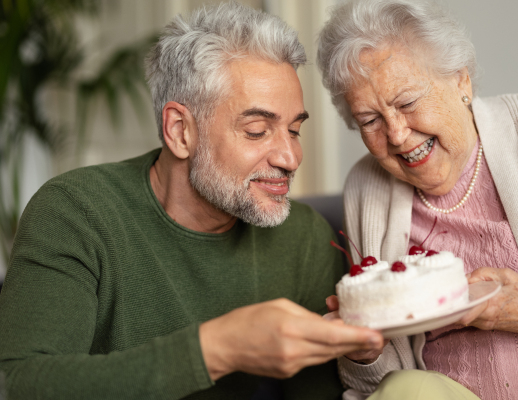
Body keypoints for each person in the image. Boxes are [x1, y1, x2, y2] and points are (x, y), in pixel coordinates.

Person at [0, 3, 385, 399]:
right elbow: (22, 383)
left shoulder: (303, 237)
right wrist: (218, 348)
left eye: (294, 130)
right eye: (257, 130)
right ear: (180, 131)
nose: (290, 158)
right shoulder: (74, 212)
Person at [316, 0, 518, 399]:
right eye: (370, 121)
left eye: (407, 102)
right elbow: (374, 386)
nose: (396, 134)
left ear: (460, 81)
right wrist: (365, 353)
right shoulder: (368, 186)